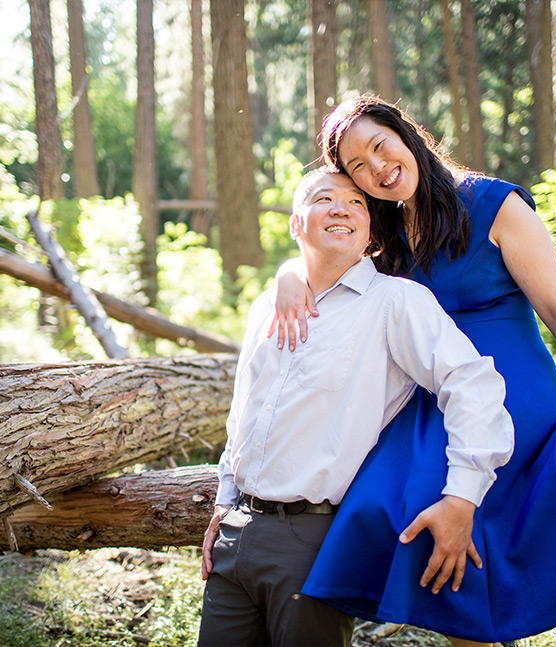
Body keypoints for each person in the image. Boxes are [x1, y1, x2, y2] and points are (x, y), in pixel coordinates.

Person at [270, 95, 556, 645]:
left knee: (437, 492)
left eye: (380, 146)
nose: (377, 168)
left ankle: (481, 629)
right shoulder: (385, 233)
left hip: (516, 392)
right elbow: (322, 251)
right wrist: (288, 274)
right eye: (357, 167)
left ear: (406, 134)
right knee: (376, 499)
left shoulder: (495, 205)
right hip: (435, 399)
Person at [198, 165, 515, 647]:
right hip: (236, 533)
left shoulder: (394, 302)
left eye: (358, 203)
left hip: (313, 539)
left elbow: (472, 382)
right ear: (295, 222)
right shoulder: (266, 305)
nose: (342, 208)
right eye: (325, 198)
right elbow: (244, 410)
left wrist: (463, 494)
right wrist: (225, 501)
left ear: (370, 232)